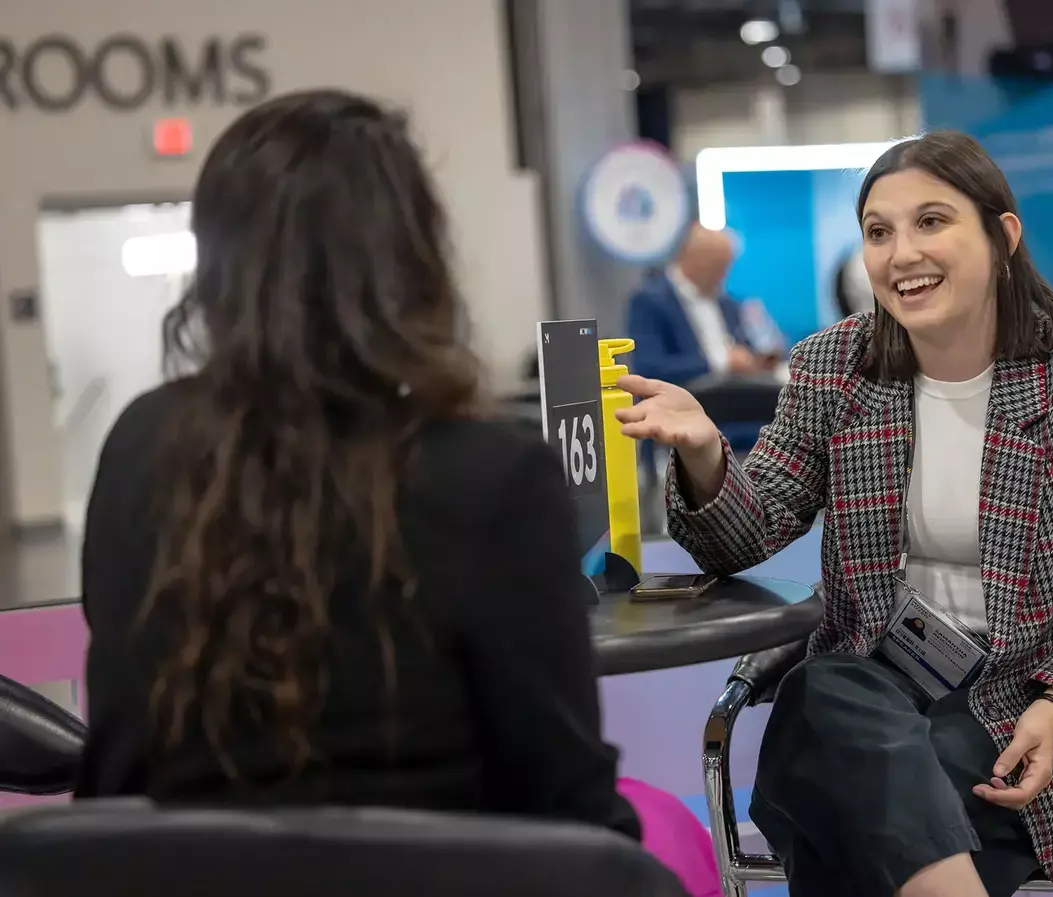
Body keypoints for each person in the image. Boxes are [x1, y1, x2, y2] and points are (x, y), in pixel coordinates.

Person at [616, 130, 1053, 897]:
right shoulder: (835, 366)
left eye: (932, 221)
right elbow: (751, 531)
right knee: (833, 693)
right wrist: (701, 451)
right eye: (879, 232)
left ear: (1003, 236)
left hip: (1020, 701)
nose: (901, 254)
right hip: (876, 680)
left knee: (839, 777)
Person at [77, 90, 638, 841]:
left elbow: (115, 772)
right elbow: (570, 808)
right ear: (412, 259)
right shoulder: (495, 476)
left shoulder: (142, 446)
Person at [626, 224, 773, 385]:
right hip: (683, 399)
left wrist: (755, 360)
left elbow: (745, 348)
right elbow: (650, 369)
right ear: (693, 259)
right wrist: (720, 363)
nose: (723, 275)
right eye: (718, 266)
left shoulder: (727, 303)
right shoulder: (650, 301)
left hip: (735, 396)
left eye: (726, 267)